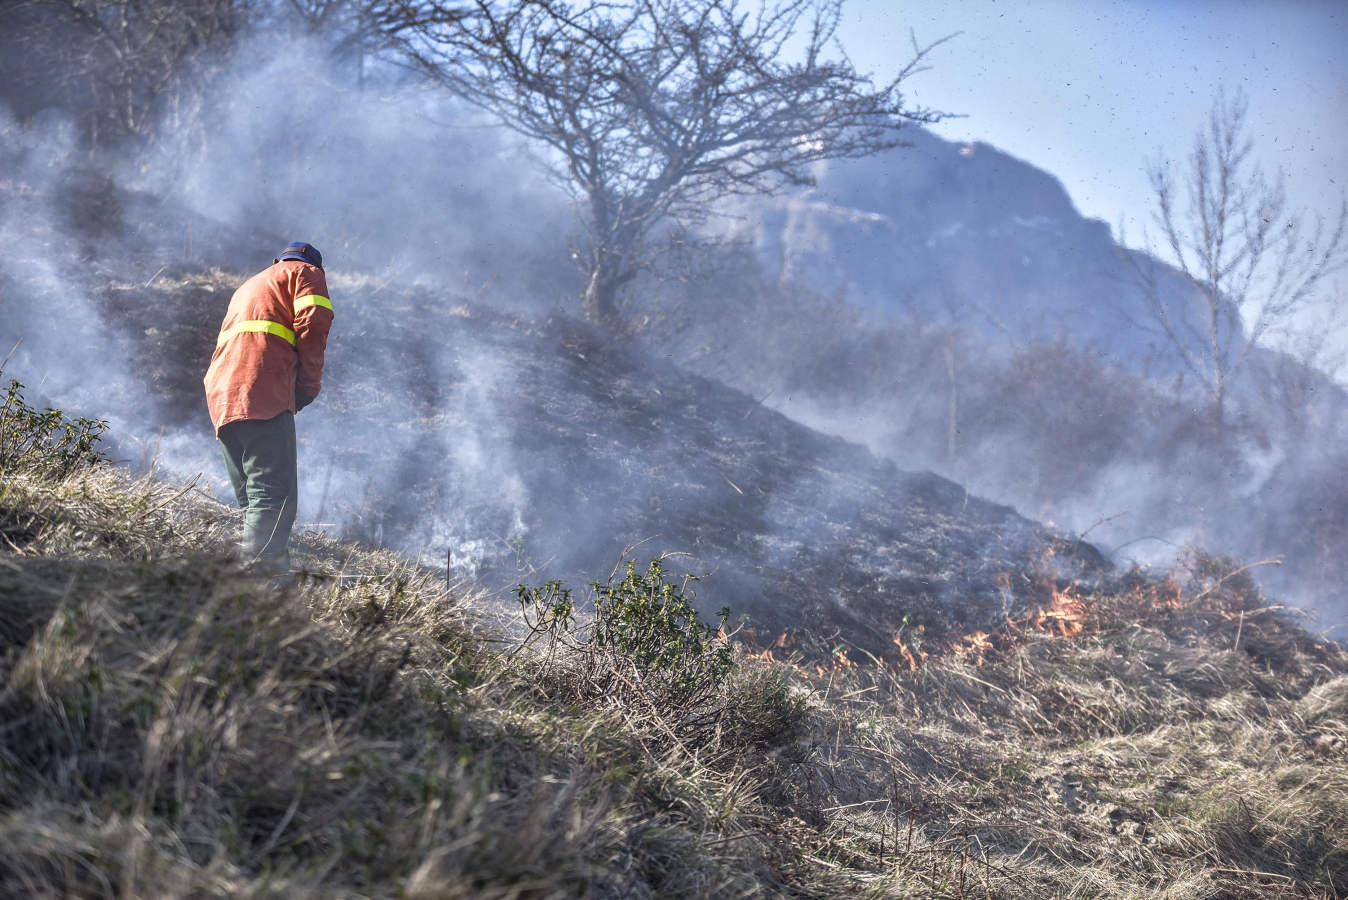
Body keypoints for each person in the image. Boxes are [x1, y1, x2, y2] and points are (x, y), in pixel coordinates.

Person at [204, 242, 333, 571]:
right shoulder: (305, 272)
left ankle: (268, 578)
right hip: (262, 387)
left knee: (251, 498)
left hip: (222, 394)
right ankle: (260, 581)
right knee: (272, 494)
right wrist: (307, 387)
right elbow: (314, 323)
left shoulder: (250, 284)